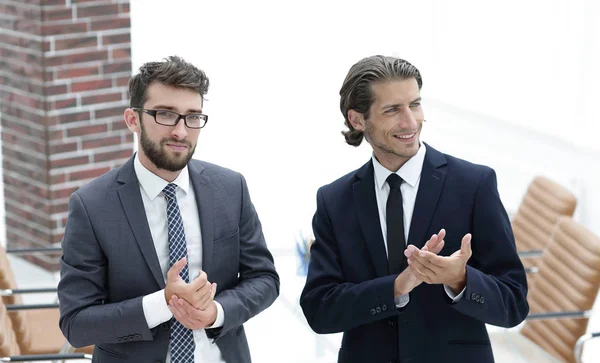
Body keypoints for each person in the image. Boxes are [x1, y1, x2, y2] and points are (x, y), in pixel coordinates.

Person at [299, 55, 528, 363]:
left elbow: (513, 303)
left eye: (415, 104)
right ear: (357, 120)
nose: (410, 122)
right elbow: (319, 309)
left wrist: (460, 280)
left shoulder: (474, 184)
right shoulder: (334, 200)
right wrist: (396, 287)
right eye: (392, 110)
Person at [58, 56, 280, 363]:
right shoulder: (92, 206)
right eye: (165, 115)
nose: (181, 131)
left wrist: (216, 312)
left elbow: (265, 279)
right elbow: (77, 324)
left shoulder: (231, 188)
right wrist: (162, 302)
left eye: (192, 117)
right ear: (133, 119)